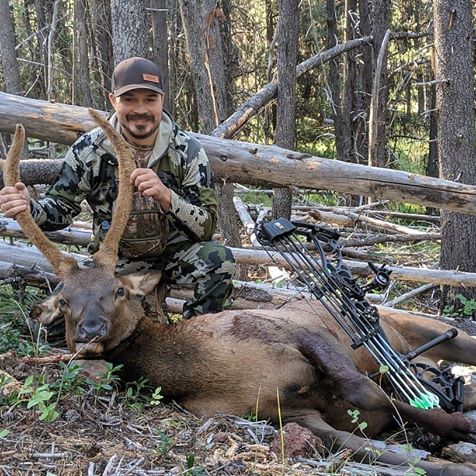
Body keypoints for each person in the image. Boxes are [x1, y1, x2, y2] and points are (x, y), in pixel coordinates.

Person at [0, 56, 235, 320]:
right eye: (129, 99)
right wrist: (28, 207)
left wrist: (167, 197)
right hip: (114, 263)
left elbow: (206, 226)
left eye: (149, 99)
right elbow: (61, 209)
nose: (140, 109)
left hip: (175, 255)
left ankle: (197, 336)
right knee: (56, 323)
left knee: (219, 260)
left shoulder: (186, 150)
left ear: (162, 100)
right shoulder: (89, 150)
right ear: (113, 101)